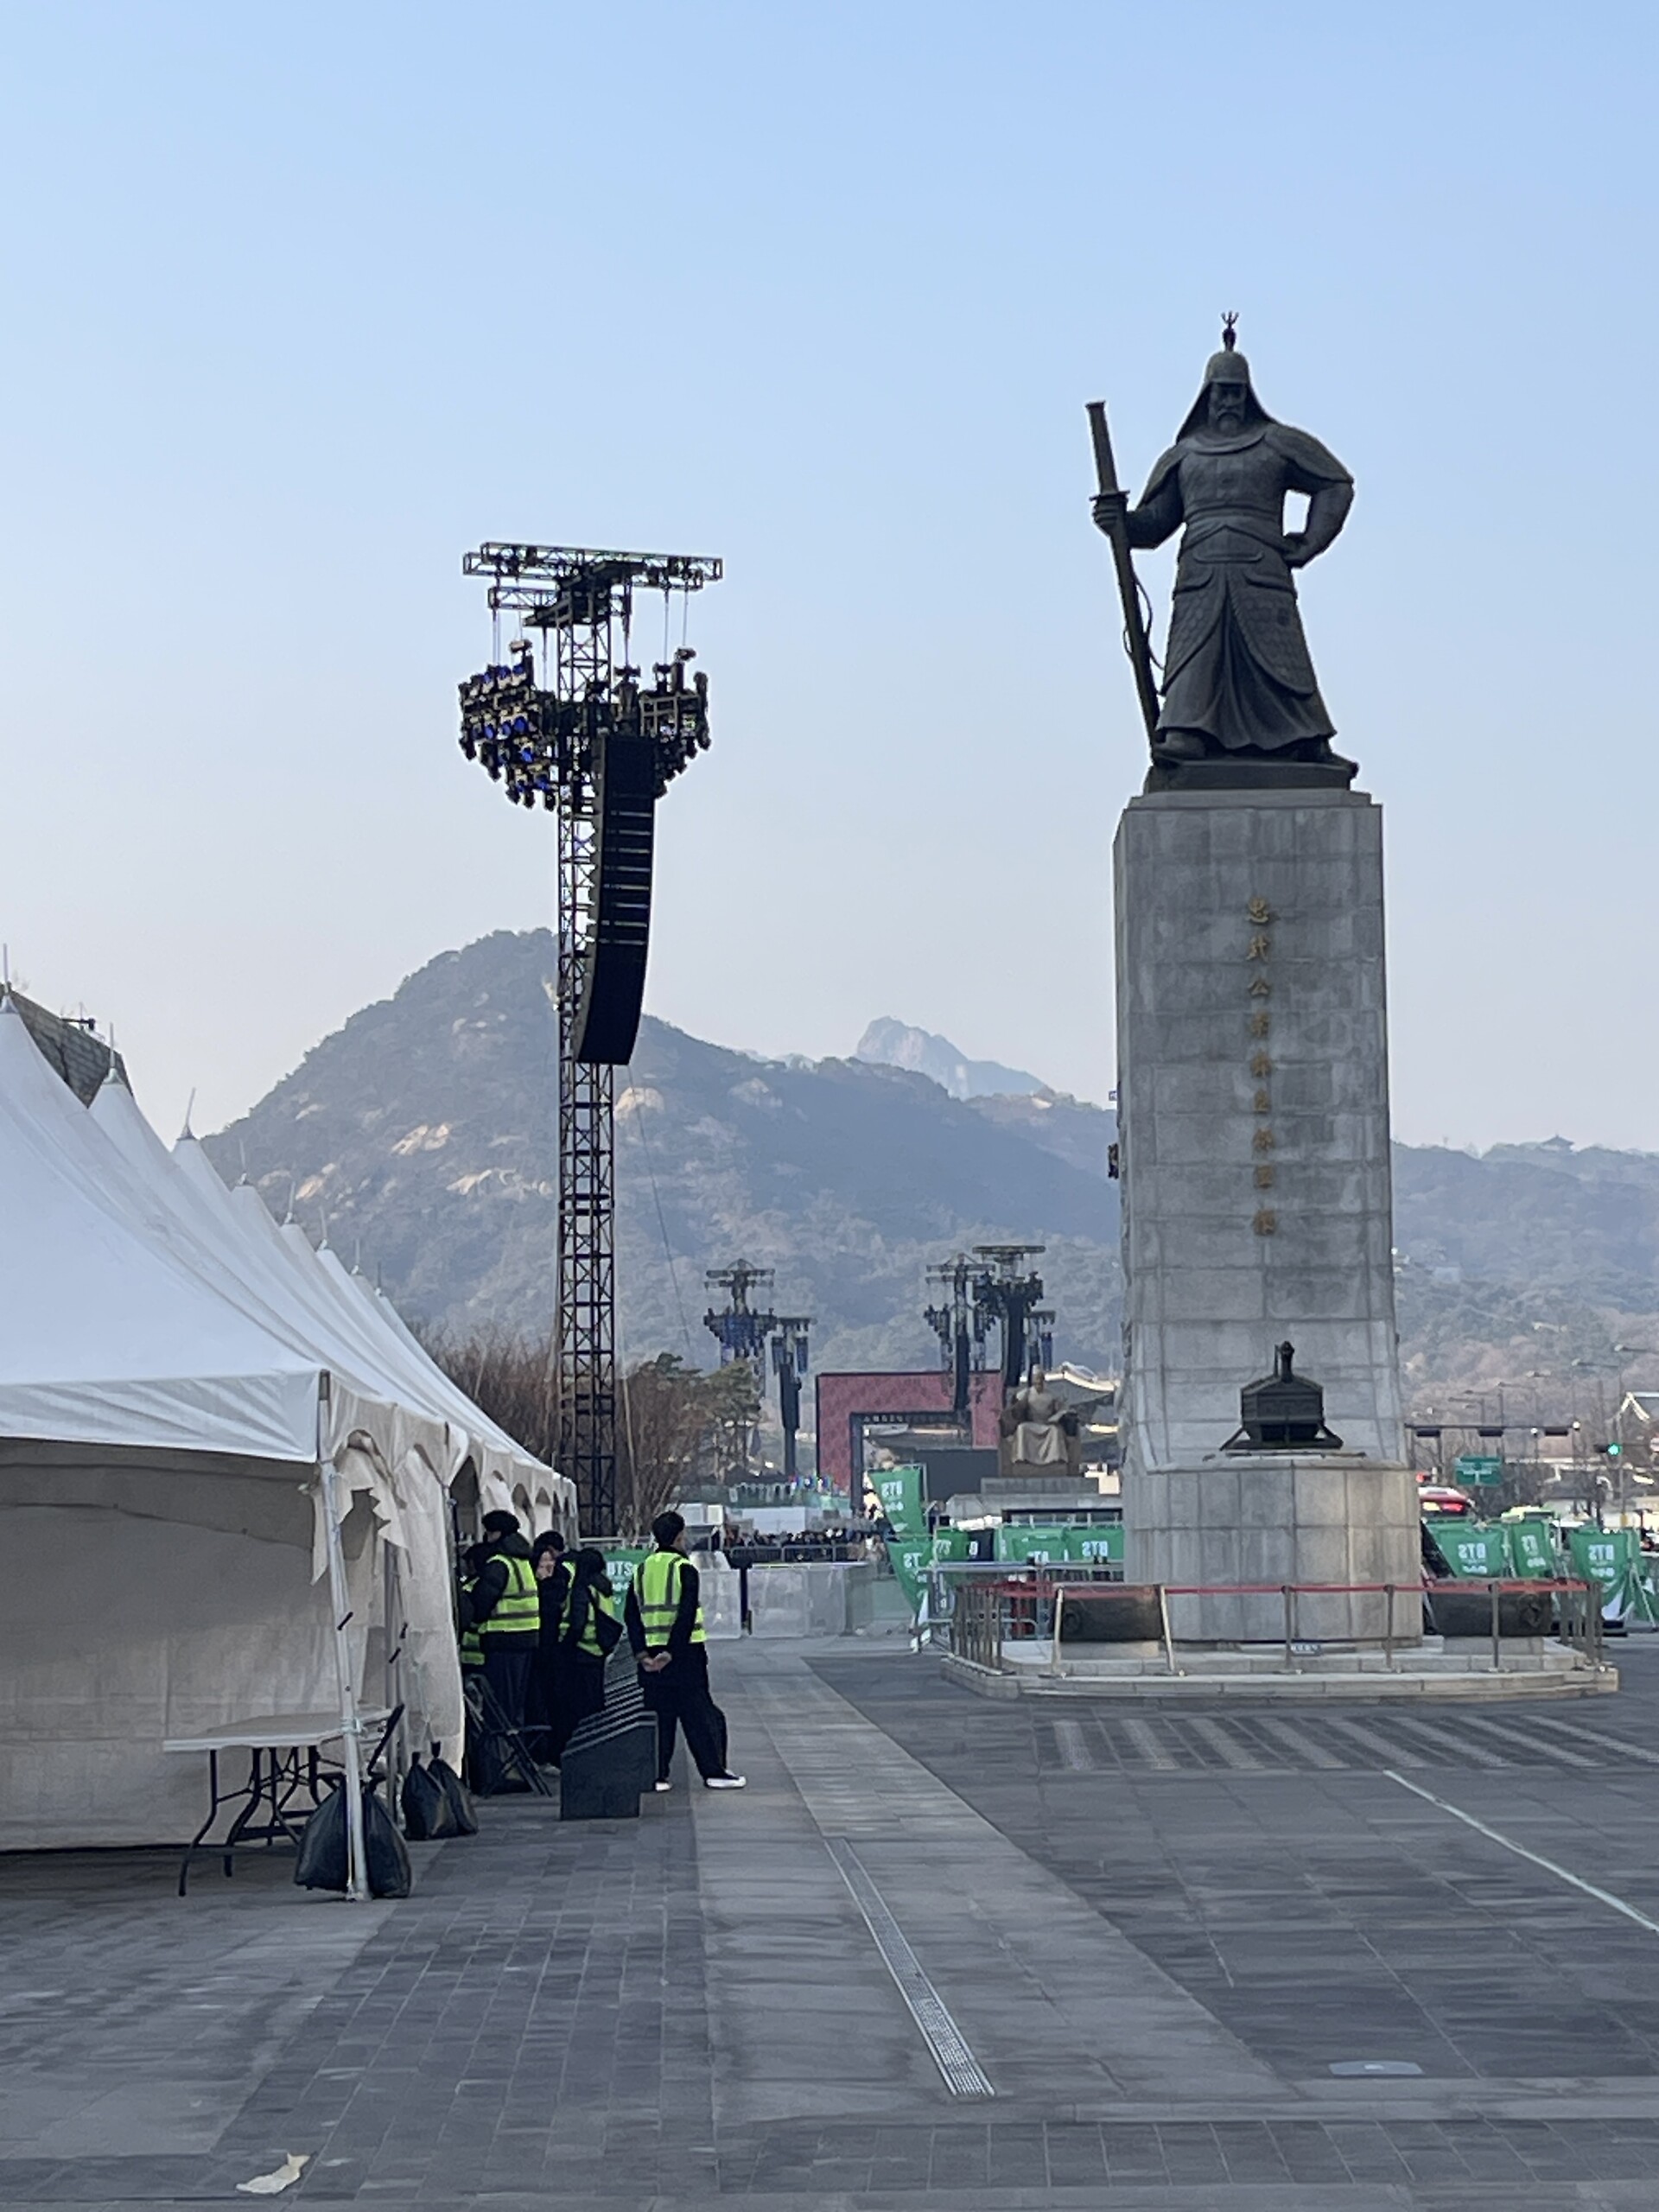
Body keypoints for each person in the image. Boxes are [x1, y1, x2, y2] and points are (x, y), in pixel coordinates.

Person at [626, 1510, 746, 1792]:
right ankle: (713, 1771)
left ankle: (658, 1775)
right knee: (699, 1715)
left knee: (659, 1719)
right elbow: (686, 1615)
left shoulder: (640, 1571)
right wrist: (671, 1652)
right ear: (679, 1536)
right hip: (685, 1655)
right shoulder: (684, 1569)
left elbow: (631, 1616)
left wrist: (642, 1655)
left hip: (650, 1658)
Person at [469, 1509, 540, 1738]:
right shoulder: (523, 1561)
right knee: (515, 1704)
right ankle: (513, 1745)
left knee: (499, 1705)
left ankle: (500, 1750)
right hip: (527, 1638)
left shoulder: (499, 1564)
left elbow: (482, 1603)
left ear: (497, 1533)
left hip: (503, 1640)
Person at [553, 1547, 624, 1755]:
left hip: (582, 1651)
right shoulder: (603, 1586)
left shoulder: (581, 1589)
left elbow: (578, 1623)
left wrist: (564, 1646)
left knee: (579, 1705)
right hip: (599, 1649)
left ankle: (581, 1751)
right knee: (595, 1702)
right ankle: (598, 1747)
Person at [529, 1532, 571, 1764]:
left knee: (552, 1703)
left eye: (551, 1562)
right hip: (541, 1653)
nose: (549, 1567)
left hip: (552, 1654)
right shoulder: (535, 1588)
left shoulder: (558, 1584)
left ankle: (552, 1752)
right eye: (543, 1563)